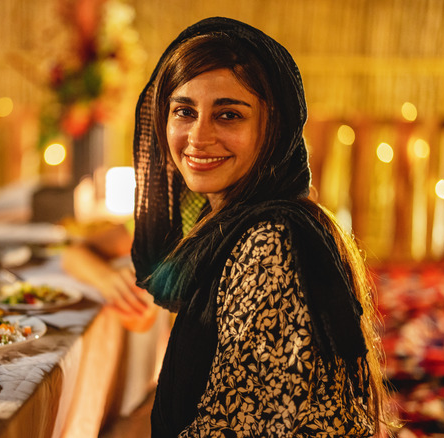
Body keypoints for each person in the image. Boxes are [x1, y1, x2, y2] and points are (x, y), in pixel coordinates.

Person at [131, 17, 392, 436]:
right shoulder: (222, 222)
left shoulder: (271, 242)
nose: (198, 137)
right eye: (184, 111)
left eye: (228, 115)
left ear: (272, 128)